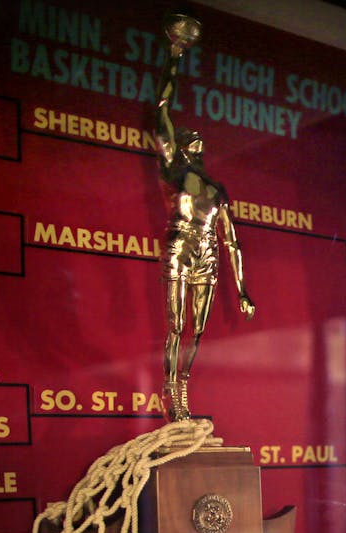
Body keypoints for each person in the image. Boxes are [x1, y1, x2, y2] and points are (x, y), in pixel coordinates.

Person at [155, 14, 256, 421]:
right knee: (176, 325)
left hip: (208, 254)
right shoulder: (173, 171)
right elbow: (161, 108)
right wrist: (174, 56)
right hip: (180, 246)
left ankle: (184, 386)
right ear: (180, 145)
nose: (195, 138)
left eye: (198, 137)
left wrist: (244, 290)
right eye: (187, 136)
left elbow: (232, 240)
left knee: (197, 331)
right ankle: (170, 393)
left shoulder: (217, 188)